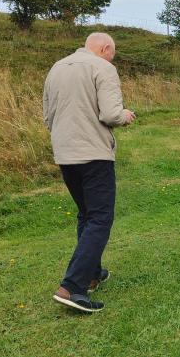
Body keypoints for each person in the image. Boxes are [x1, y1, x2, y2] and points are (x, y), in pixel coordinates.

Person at [43, 32, 136, 313]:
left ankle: (92, 273)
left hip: (65, 153)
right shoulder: (103, 68)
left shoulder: (56, 67)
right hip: (93, 154)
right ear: (105, 49)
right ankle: (72, 286)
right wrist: (125, 115)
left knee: (86, 213)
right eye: (113, 53)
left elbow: (48, 117)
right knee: (100, 218)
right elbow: (110, 114)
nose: (113, 58)